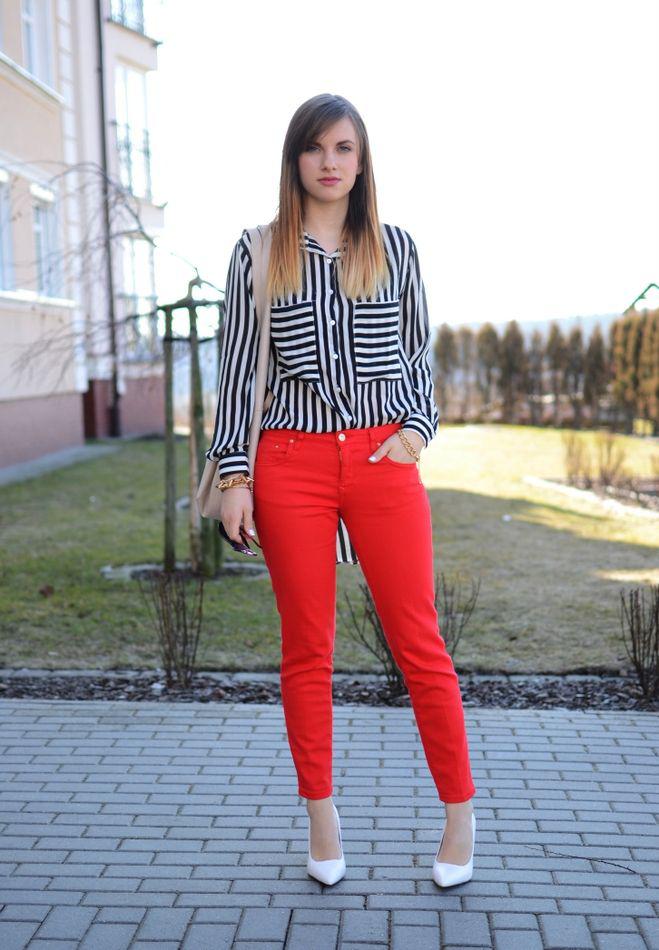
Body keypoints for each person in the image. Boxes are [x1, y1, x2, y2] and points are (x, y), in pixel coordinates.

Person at [207, 93, 476, 888]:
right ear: (295, 160)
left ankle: (459, 814)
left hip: (379, 459)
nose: (331, 161)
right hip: (286, 463)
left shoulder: (395, 247)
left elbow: (418, 357)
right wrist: (234, 474)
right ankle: (321, 816)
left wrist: (415, 433)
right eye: (316, 148)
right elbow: (234, 373)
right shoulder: (259, 252)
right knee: (307, 650)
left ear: (362, 162)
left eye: (345, 148)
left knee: (418, 642)